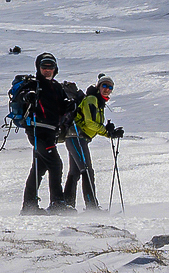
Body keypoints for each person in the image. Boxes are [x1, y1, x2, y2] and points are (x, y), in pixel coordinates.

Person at [13, 52, 78, 214]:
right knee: (56, 164)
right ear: (38, 68)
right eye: (44, 67)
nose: (47, 70)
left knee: (39, 168)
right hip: (37, 131)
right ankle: (57, 203)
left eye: (51, 67)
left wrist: (69, 106)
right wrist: (27, 96)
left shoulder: (56, 87)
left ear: (55, 69)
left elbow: (61, 107)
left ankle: (29, 206)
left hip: (51, 133)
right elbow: (22, 97)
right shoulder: (33, 85)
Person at [62, 74, 125, 211]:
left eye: (110, 87)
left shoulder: (98, 102)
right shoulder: (92, 100)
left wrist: (108, 132)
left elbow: (92, 124)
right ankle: (92, 207)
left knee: (75, 172)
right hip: (77, 137)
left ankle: (66, 206)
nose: (107, 89)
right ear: (98, 86)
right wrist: (108, 133)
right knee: (86, 171)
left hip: (76, 137)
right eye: (104, 85)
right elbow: (90, 123)